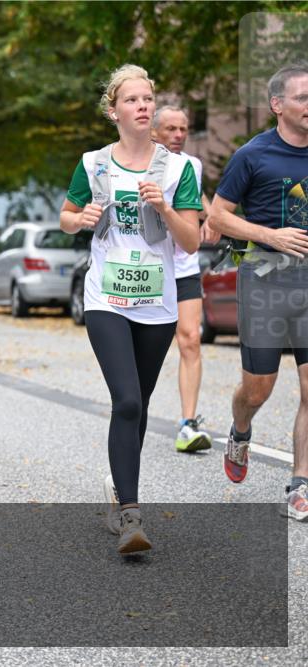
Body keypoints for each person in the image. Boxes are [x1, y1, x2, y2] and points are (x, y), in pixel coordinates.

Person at [59, 65, 201, 555]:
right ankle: (131, 517)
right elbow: (65, 217)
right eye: (133, 100)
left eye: (148, 98)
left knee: (138, 403)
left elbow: (192, 240)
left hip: (157, 303)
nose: (143, 106)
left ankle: (120, 491)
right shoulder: (94, 164)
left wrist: (165, 208)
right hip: (106, 299)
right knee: (126, 400)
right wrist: (81, 218)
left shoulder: (178, 169)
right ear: (114, 110)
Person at [207, 63, 308, 520]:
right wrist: (270, 236)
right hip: (265, 282)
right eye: (302, 97)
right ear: (277, 105)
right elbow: (217, 216)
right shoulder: (253, 154)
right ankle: (241, 429)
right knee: (257, 390)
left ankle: (300, 485)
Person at [151, 105, 219, 452]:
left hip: (184, 267)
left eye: (184, 129)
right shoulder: (140, 163)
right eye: (171, 129)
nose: (179, 135)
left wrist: (213, 218)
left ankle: (188, 424)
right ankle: (133, 410)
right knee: (147, 346)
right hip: (149, 268)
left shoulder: (192, 165)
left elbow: (198, 197)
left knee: (191, 339)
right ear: (154, 131)